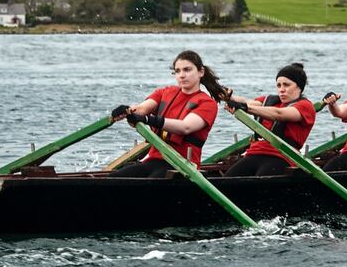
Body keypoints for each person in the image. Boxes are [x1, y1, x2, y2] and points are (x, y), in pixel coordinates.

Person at [109, 50, 229, 178]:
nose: (182, 75)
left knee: (150, 184)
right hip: (153, 161)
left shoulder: (207, 103)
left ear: (201, 72)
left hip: (183, 165)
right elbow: (141, 109)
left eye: (187, 70)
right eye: (177, 71)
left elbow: (185, 127)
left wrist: (148, 119)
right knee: (113, 179)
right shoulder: (165, 92)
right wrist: (127, 111)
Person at [224, 63, 317, 176]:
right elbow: (247, 102)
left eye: (286, 85)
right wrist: (228, 97)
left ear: (299, 87)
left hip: (282, 156)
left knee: (261, 180)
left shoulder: (305, 106)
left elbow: (279, 114)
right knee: (229, 177)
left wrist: (245, 108)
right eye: (278, 85)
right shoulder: (269, 100)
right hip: (254, 154)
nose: (281, 90)